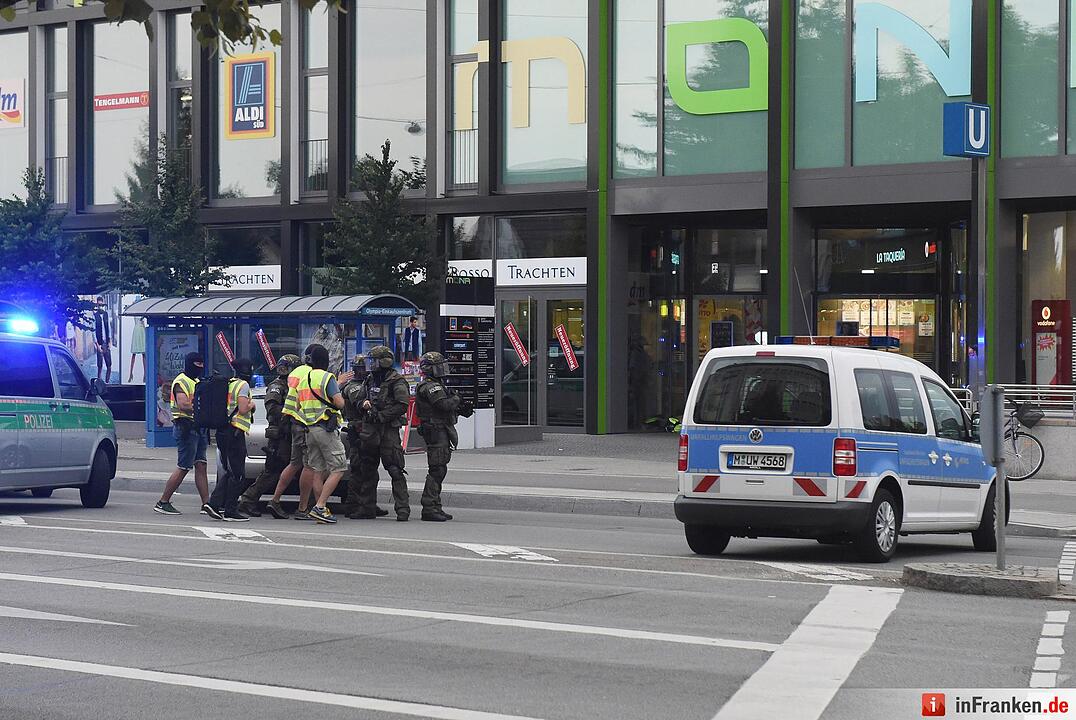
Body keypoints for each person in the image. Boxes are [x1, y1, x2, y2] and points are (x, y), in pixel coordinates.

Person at [277, 344, 349, 523]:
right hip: (326, 428)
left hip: (309, 429)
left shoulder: (303, 378)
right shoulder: (327, 377)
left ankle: (320, 509)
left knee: (317, 470)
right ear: (326, 360)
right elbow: (340, 403)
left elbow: (297, 406)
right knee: (339, 468)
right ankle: (320, 506)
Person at [353, 346, 411, 521]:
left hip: (388, 431)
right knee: (367, 469)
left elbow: (402, 404)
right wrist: (364, 404)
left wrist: (382, 416)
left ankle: (402, 509)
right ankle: (366, 508)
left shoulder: (397, 381)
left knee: (395, 469)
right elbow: (358, 399)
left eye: (374, 361)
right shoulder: (370, 379)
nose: (371, 364)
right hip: (371, 430)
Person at [238, 354, 300, 517]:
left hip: (289, 434)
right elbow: (272, 409)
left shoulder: (291, 385)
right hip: (279, 435)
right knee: (272, 471)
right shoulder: (277, 386)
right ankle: (248, 501)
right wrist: (292, 413)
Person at [154, 352, 216, 517]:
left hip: (198, 427)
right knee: (184, 466)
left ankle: (206, 504)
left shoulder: (196, 381)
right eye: (197, 365)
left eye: (202, 365)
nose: (200, 368)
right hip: (186, 428)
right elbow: (183, 404)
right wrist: (205, 408)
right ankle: (163, 502)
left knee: (201, 464)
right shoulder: (181, 381)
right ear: (190, 364)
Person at [415, 352, 473, 522]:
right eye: (439, 366)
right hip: (435, 430)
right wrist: (456, 399)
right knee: (437, 469)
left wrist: (461, 408)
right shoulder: (430, 386)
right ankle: (429, 507)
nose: (442, 369)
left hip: (440, 429)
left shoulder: (438, 385)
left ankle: (435, 505)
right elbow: (442, 404)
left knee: (440, 468)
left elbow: (446, 408)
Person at [207, 358, 257, 521]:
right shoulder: (243, 385)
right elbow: (243, 408)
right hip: (234, 432)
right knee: (238, 473)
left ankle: (215, 504)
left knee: (231, 471)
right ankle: (228, 509)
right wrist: (252, 405)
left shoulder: (230, 383)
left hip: (224, 431)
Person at [341, 355, 389, 519]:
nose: (367, 370)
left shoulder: (366, 384)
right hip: (359, 431)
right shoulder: (354, 386)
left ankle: (368, 503)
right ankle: (354, 505)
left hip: (367, 431)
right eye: (363, 368)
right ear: (356, 369)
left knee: (369, 470)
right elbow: (361, 403)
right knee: (359, 471)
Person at [93, 296, 114, 384]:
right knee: (100, 365)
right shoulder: (95, 316)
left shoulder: (106, 314)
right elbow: (93, 330)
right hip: (100, 342)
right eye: (99, 305)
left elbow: (108, 328)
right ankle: (99, 382)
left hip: (106, 342)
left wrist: (110, 341)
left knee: (109, 364)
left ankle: (107, 382)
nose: (100, 307)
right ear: (97, 305)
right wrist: (97, 345)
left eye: (102, 305)